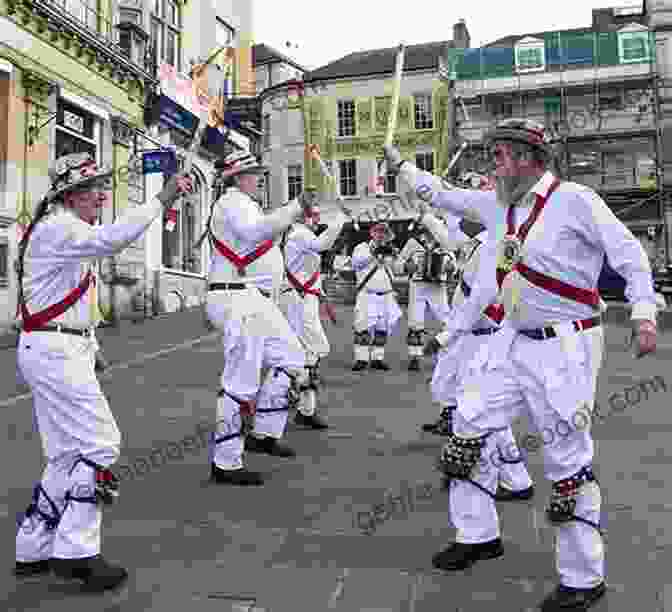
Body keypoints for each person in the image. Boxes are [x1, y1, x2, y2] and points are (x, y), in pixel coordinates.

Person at [386, 118, 658, 611]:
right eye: (493, 156)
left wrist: (643, 314)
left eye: (501, 156)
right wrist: (400, 165)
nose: (494, 165)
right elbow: (441, 195)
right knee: (468, 421)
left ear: (530, 158)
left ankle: (582, 577)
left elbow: (630, 255)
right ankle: (477, 535)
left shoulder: (576, 200)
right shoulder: (497, 206)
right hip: (510, 341)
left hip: (567, 346)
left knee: (567, 456)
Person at [14, 152, 193, 591]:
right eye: (91, 188)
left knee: (64, 453)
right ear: (68, 195)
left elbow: (70, 299)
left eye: (101, 186)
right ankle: (75, 551)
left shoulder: (63, 229)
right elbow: (115, 239)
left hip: (55, 346)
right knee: (101, 444)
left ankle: (33, 545)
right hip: (55, 350)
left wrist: (90, 344)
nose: (101, 194)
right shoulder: (60, 227)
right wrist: (163, 198)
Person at [203, 150, 314, 487]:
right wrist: (295, 207)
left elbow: (258, 233)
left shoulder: (244, 203)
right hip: (237, 296)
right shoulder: (233, 201)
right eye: (254, 173)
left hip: (253, 298)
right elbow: (254, 233)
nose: (260, 178)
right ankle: (225, 463)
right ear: (238, 177)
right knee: (240, 381)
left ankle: (264, 433)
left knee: (293, 359)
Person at [420, 204, 534, 502]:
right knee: (467, 404)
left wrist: (443, 337)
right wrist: (426, 214)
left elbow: (478, 304)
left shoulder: (488, 250)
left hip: (481, 339)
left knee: (483, 410)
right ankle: (490, 472)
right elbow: (448, 238)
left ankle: (511, 478)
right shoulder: (477, 244)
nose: (458, 221)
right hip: (469, 339)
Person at [278, 200, 349, 429]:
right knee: (311, 350)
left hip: (305, 298)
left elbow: (310, 270)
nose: (317, 219)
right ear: (302, 217)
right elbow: (323, 243)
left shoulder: (303, 235)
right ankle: (280, 400)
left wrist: (322, 296)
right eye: (314, 215)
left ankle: (305, 410)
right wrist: (340, 219)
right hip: (297, 300)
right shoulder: (299, 234)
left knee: (307, 353)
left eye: (318, 214)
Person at [396, 223, 455, 371]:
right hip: (417, 286)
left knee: (447, 321)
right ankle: (414, 357)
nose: (431, 230)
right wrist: (406, 267)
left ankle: (446, 355)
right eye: (428, 227)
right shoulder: (412, 243)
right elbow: (397, 264)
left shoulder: (445, 241)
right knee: (415, 322)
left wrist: (451, 269)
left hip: (438, 287)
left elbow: (454, 264)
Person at [351, 222, 402, 371]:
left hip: (386, 295)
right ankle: (361, 359)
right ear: (372, 233)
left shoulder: (390, 250)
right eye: (378, 231)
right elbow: (356, 264)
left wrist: (398, 257)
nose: (381, 235)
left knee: (382, 328)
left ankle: (377, 359)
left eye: (384, 232)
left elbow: (398, 270)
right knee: (362, 328)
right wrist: (373, 254)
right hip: (367, 294)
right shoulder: (362, 248)